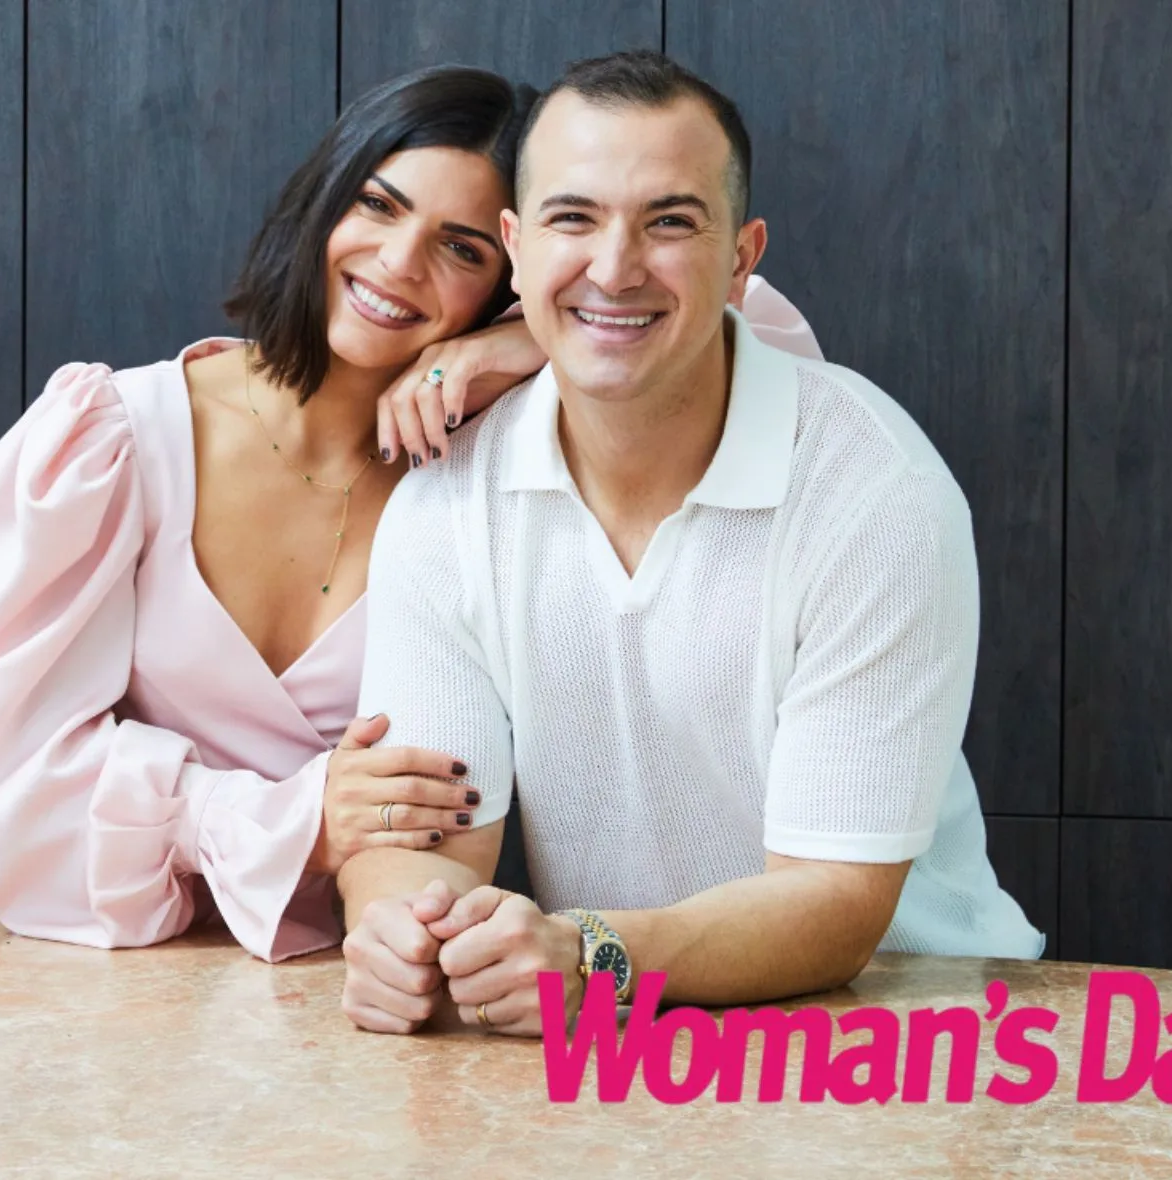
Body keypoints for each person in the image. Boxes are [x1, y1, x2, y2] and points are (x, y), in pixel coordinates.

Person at [0, 65, 821, 964]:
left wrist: (532, 337)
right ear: (324, 202)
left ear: (509, 272)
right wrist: (294, 819)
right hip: (126, 976)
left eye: (462, 248)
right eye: (378, 206)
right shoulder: (107, 443)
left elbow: (775, 353)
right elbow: (7, 781)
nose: (399, 264)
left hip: (374, 979)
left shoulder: (479, 469)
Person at [338, 50, 1044, 1036]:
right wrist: (398, 929)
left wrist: (590, 953)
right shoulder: (447, 498)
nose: (615, 266)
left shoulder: (876, 491)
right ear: (517, 243)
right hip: (629, 1036)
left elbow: (836, 904)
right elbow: (417, 831)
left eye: (669, 222)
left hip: (908, 1012)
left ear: (743, 258)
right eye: (572, 218)